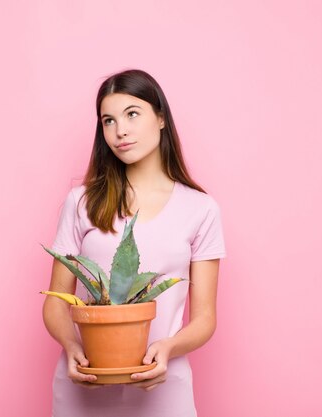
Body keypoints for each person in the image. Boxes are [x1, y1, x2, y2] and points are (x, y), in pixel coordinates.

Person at [42, 69, 226, 417]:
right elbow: (54, 303)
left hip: (163, 384)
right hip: (85, 380)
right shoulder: (81, 202)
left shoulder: (201, 209)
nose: (120, 131)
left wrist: (168, 348)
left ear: (160, 118)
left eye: (132, 114)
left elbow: (204, 318)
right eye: (108, 121)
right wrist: (71, 346)